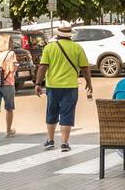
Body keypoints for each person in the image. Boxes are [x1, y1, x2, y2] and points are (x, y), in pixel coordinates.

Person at [35, 24, 93, 152]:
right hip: (71, 86)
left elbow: (43, 67)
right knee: (67, 113)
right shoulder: (77, 47)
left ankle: (50, 140)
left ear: (58, 34)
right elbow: (85, 68)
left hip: (52, 86)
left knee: (52, 111)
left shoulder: (49, 48)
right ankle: (64, 143)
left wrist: (38, 83)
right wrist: (89, 83)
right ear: (70, 34)